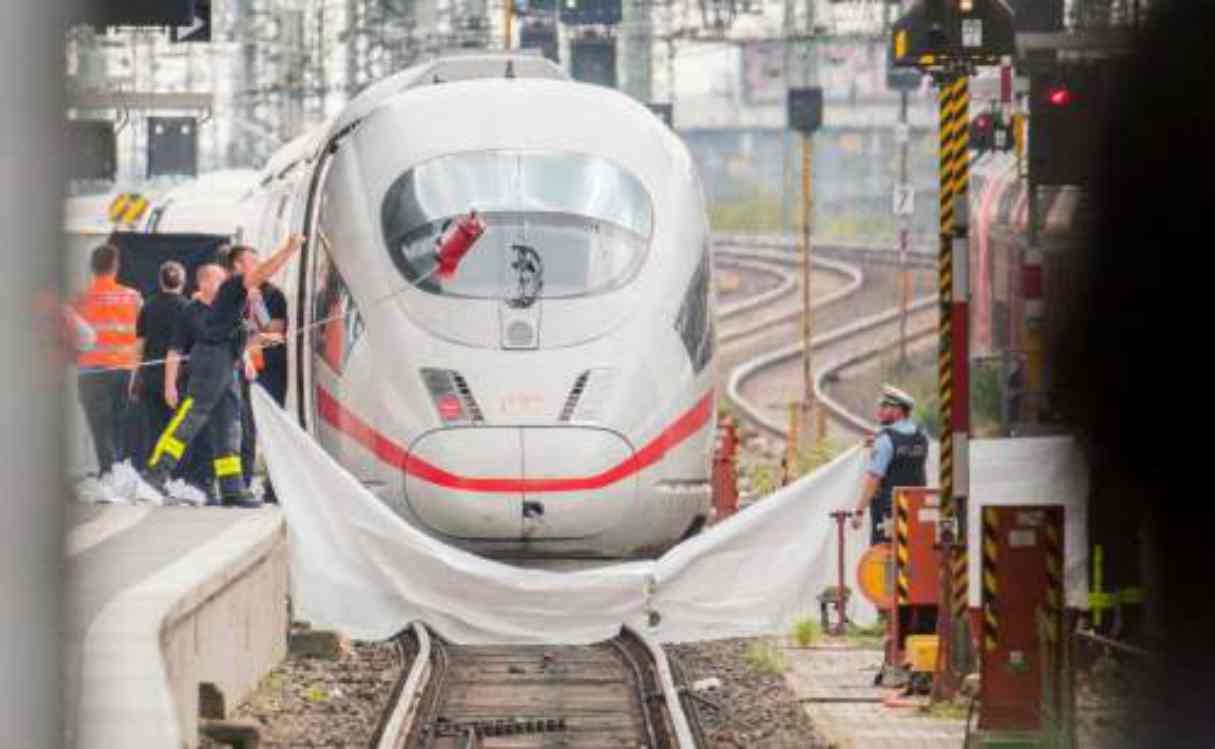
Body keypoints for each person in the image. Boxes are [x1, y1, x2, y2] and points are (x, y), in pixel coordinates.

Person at [143, 236, 303, 507]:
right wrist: (289, 249)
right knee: (192, 416)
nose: (259, 265)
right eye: (253, 261)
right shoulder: (232, 285)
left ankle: (232, 488)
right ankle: (154, 474)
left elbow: (234, 334)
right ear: (239, 266)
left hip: (227, 362)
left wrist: (261, 340)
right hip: (212, 361)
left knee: (229, 425)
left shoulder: (238, 298)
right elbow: (265, 271)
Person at [73, 243, 143, 478]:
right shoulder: (132, 297)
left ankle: (108, 471)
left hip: (90, 372)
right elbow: (142, 336)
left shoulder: (80, 299)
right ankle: (117, 469)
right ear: (116, 267)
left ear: (92, 268)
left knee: (99, 425)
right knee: (118, 422)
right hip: (122, 370)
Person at [164, 263, 226, 504]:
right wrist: (170, 385)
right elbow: (174, 351)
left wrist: (248, 364)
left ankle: (210, 484)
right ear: (203, 283)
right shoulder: (190, 312)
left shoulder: (227, 310)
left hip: (222, 387)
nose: (223, 285)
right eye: (218, 280)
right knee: (189, 434)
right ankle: (183, 481)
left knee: (217, 437)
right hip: (195, 385)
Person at [236, 249, 289, 503]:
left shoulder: (273, 294)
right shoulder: (233, 291)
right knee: (243, 430)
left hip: (269, 372)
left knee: (270, 428)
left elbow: (276, 333)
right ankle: (241, 484)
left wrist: (256, 304)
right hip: (240, 371)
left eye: (259, 261)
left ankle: (273, 486)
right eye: (251, 262)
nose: (258, 266)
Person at [850, 384, 928, 546]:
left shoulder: (885, 440)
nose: (880, 410)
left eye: (885, 406)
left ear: (899, 410)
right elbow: (905, 456)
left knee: (884, 558)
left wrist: (859, 511)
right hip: (916, 507)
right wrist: (878, 443)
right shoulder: (921, 435)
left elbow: (874, 479)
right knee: (913, 552)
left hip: (888, 512)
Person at [129, 261, 188, 466]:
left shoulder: (148, 306)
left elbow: (139, 345)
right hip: (180, 378)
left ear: (160, 281)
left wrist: (134, 377)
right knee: (179, 429)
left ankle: (152, 470)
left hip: (151, 376)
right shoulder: (188, 307)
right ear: (183, 281)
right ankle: (173, 472)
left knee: (154, 428)